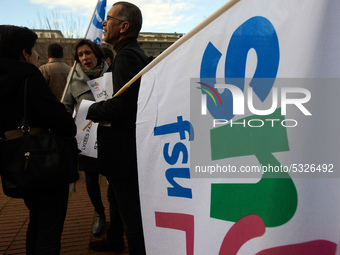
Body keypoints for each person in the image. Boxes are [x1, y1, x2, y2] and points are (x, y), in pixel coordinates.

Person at [0, 25, 76, 255]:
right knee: (48, 231)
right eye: (34, 50)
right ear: (24, 52)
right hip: (45, 166)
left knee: (37, 220)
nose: (38, 55)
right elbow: (63, 123)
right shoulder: (29, 77)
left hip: (16, 162)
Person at [87, 2, 150, 254]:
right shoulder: (130, 53)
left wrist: (90, 110)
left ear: (123, 27)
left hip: (124, 152)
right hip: (123, 151)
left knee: (132, 216)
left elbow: (124, 105)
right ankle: (114, 240)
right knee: (116, 199)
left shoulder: (125, 56)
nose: (103, 23)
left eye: (109, 19)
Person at [62, 39, 108, 237]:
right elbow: (65, 108)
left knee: (113, 179)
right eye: (80, 55)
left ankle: (118, 215)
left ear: (96, 54)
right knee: (91, 178)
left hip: (110, 136)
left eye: (87, 53)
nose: (84, 58)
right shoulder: (73, 80)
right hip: (86, 137)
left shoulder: (111, 74)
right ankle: (100, 213)